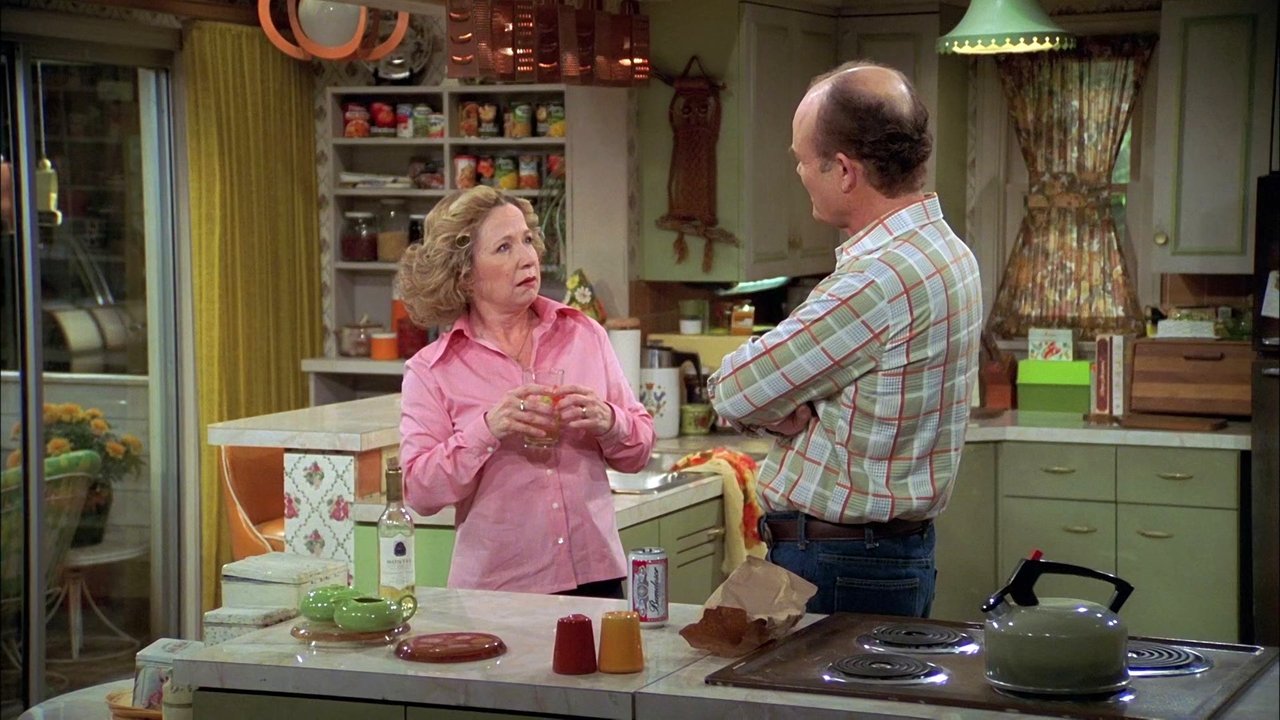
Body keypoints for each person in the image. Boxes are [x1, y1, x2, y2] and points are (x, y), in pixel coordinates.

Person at [706, 61, 983, 617]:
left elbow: (733, 391)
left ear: (844, 171)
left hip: (839, 562)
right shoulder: (947, 250)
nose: (800, 173)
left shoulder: (876, 279)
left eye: (803, 160)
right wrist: (789, 408)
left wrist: (781, 407)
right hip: (882, 553)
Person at [397, 186, 655, 599]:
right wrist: (487, 429)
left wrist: (610, 421)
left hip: (595, 577)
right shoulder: (433, 370)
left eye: (527, 240)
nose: (527, 257)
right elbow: (419, 492)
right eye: (504, 247)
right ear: (464, 274)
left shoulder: (582, 334)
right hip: (498, 591)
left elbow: (639, 450)